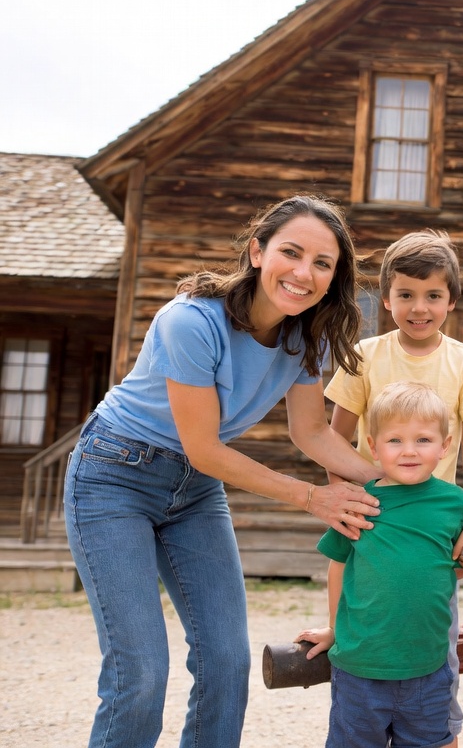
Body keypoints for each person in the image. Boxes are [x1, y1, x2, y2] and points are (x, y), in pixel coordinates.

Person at [63, 194, 386, 748]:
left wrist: (399, 481)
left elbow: (310, 433)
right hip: (114, 475)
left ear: (335, 278)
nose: (303, 273)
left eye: (323, 263)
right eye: (291, 252)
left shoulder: (304, 335)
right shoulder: (190, 321)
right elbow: (204, 448)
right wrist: (315, 499)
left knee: (226, 663)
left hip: (192, 492)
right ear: (258, 252)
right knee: (141, 672)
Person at [323, 228, 463, 745]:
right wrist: (344, 500)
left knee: (431, 621)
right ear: (386, 296)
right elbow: (333, 438)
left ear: (451, 300)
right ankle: (345, 652)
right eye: (405, 294)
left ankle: (435, 727)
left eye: (432, 296)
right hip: (372, 509)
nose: (418, 308)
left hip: (434, 517)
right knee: (362, 594)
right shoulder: (364, 355)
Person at [297, 381, 463, 748]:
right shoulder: (359, 502)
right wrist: (334, 629)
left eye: (423, 440)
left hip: (428, 667)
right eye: (395, 441)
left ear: (445, 446)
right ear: (373, 447)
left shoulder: (455, 504)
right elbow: (339, 566)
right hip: (361, 669)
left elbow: (448, 567)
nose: (409, 451)